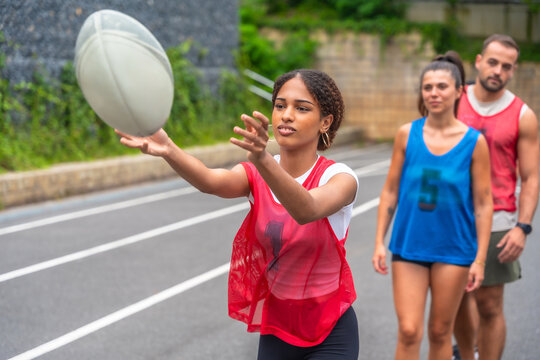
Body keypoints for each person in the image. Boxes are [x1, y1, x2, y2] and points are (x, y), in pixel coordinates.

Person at [116, 69, 360, 359]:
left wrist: (263, 159)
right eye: (280, 105)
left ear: (325, 122)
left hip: (330, 331)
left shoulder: (339, 177)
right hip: (278, 329)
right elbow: (210, 180)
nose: (287, 115)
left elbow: (307, 209)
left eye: (302, 108)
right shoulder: (257, 172)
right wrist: (168, 149)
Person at [372, 53, 493, 359]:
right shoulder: (406, 134)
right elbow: (389, 191)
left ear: (458, 92)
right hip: (409, 246)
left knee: (440, 331)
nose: (434, 93)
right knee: (409, 330)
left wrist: (479, 259)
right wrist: (378, 242)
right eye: (428, 87)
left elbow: (483, 202)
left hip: (454, 250)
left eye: (441, 86)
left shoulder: (474, 142)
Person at [453, 34, 539, 360]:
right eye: (492, 62)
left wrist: (523, 227)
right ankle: (465, 351)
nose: (498, 71)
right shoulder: (452, 99)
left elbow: (531, 177)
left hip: (499, 217)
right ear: (478, 61)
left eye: (507, 66)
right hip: (451, 218)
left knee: (489, 304)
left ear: (513, 70)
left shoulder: (522, 114)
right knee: (456, 300)